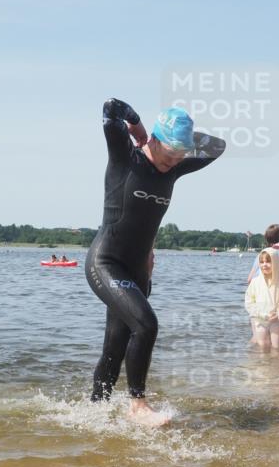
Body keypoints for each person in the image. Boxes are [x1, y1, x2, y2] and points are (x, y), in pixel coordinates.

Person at [86, 99, 225, 425]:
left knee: (115, 347)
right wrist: (137, 128)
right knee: (147, 325)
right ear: (154, 141)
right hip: (105, 262)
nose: (174, 161)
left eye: (181, 154)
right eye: (170, 152)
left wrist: (182, 136)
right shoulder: (126, 158)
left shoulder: (175, 165)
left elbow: (218, 146)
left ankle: (95, 413)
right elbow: (110, 110)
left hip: (138, 269)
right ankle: (138, 406)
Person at [244, 248, 279, 352]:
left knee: (276, 347)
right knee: (262, 345)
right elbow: (249, 302)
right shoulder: (255, 282)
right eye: (262, 262)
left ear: (275, 262)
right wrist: (261, 314)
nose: (264, 265)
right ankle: (262, 366)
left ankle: (275, 366)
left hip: (277, 319)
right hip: (260, 319)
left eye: (268, 261)